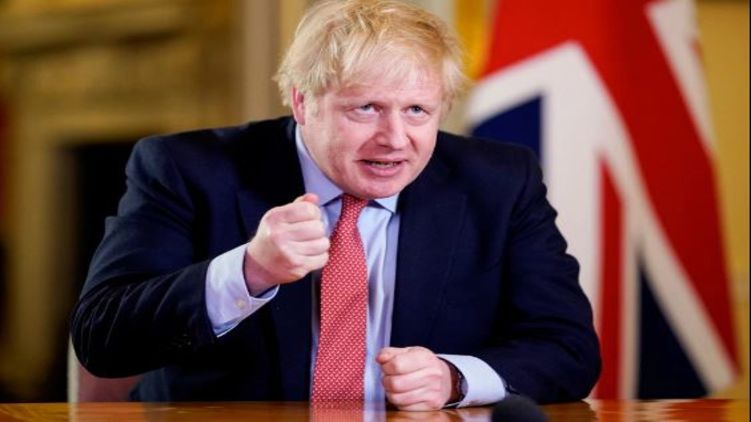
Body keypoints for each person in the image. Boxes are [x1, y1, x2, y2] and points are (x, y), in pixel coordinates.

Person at [71, 0, 600, 410]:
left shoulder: (499, 182)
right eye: (366, 108)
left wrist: (455, 378)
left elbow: (570, 350)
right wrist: (250, 270)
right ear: (302, 101)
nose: (395, 138)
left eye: (418, 111)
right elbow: (102, 337)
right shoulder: (187, 169)